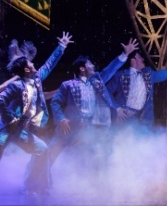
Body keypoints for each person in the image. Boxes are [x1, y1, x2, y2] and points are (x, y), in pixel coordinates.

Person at [0, 32, 73, 196]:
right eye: (30, 64)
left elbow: (49, 65)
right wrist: (10, 119)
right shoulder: (16, 85)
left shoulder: (37, 79)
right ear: (26, 68)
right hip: (4, 128)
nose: (34, 65)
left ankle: (32, 185)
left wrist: (62, 46)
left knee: (42, 148)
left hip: (20, 129)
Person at [48, 39, 139, 169]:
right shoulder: (68, 85)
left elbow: (109, 69)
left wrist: (124, 54)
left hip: (86, 129)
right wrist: (61, 118)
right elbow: (55, 102)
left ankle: (88, 185)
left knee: (91, 159)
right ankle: (37, 185)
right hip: (67, 128)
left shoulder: (96, 82)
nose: (93, 66)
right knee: (50, 154)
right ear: (82, 68)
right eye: (89, 64)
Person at [105, 51, 167, 127]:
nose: (143, 59)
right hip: (124, 119)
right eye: (139, 58)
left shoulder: (148, 74)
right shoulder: (120, 76)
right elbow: (106, 91)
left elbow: (166, 74)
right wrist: (117, 108)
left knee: (143, 144)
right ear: (133, 61)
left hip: (143, 120)